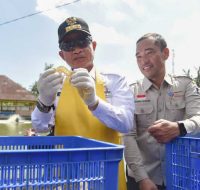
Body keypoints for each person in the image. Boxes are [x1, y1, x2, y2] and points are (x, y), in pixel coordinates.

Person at [31, 16, 135, 190]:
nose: (77, 49)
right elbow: (40, 127)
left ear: (93, 46)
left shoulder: (114, 80)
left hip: (106, 176)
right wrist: (44, 101)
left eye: (82, 41)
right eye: (68, 46)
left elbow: (126, 124)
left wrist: (94, 103)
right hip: (66, 177)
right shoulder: (55, 83)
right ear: (61, 54)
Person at [123, 33, 200, 190]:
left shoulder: (186, 85)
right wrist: (142, 178)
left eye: (149, 52)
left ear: (165, 53)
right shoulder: (130, 91)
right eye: (138, 56)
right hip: (142, 179)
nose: (143, 60)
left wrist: (180, 128)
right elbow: (127, 136)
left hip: (181, 177)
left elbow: (198, 118)